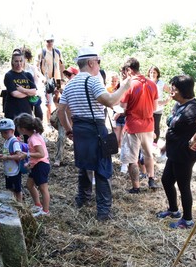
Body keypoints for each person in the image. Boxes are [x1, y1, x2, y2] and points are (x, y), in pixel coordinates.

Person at [57, 47, 131, 221]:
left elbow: (61, 110)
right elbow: (110, 100)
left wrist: (69, 129)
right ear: (91, 63)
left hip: (79, 129)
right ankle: (103, 211)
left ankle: (82, 199)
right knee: (102, 168)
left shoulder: (71, 84)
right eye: (98, 62)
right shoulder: (93, 81)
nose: (98, 65)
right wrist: (125, 87)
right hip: (95, 128)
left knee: (84, 165)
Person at [156, 75, 196, 229]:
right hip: (174, 152)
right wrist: (166, 145)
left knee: (183, 185)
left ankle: (187, 220)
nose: (171, 92)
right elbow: (175, 128)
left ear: (182, 91)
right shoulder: (179, 105)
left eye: (173, 89)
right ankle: (173, 210)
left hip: (184, 155)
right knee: (166, 180)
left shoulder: (191, 108)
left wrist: (193, 140)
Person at [120, 57, 159, 193]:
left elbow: (123, 107)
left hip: (133, 125)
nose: (125, 73)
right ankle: (151, 179)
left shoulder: (128, 84)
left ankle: (136, 187)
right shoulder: (152, 84)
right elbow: (155, 107)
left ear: (129, 70)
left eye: (125, 70)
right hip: (148, 124)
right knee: (148, 154)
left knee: (132, 158)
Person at [14, 113, 51, 217]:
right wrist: (30, 163)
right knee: (29, 185)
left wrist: (27, 154)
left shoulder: (34, 138)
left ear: (23, 129)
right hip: (36, 165)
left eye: (18, 127)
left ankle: (45, 211)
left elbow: (41, 154)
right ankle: (38, 205)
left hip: (41, 165)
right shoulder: (32, 137)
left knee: (43, 188)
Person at [37, 34, 65, 127]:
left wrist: (62, 78)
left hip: (57, 80)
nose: (50, 43)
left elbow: (61, 65)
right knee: (47, 102)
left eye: (51, 41)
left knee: (59, 100)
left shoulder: (57, 51)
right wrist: (42, 77)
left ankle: (59, 120)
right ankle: (48, 123)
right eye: (48, 41)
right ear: (45, 41)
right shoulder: (41, 52)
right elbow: (36, 67)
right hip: (47, 81)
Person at [3, 50, 37, 124]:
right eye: (16, 61)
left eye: (21, 61)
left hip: (26, 111)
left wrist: (22, 89)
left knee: (28, 134)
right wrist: (28, 92)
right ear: (12, 62)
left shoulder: (28, 75)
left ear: (24, 61)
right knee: (14, 135)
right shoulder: (9, 75)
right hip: (12, 111)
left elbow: (34, 91)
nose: (19, 63)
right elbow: (15, 94)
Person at [54, 66, 79, 167]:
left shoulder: (79, 87)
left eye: (70, 74)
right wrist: (56, 95)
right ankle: (58, 159)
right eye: (67, 75)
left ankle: (79, 159)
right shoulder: (64, 87)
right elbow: (57, 104)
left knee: (78, 139)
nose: (68, 77)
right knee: (61, 137)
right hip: (63, 116)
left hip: (75, 118)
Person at [0, 118, 24, 202]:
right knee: (10, 188)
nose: (3, 134)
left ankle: (20, 204)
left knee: (17, 190)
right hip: (8, 170)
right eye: (1, 132)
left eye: (5, 132)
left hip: (14, 171)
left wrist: (7, 157)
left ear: (13, 130)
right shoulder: (6, 141)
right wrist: (3, 156)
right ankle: (13, 202)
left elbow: (19, 156)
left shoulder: (14, 142)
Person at [147, 65, 171, 147]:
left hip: (158, 108)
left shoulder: (161, 83)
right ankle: (147, 142)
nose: (152, 74)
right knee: (147, 125)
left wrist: (166, 101)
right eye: (151, 72)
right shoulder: (146, 82)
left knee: (156, 125)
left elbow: (171, 92)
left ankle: (154, 143)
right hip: (147, 108)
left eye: (154, 72)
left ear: (157, 74)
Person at [21, 47, 44, 120]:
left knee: (39, 113)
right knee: (27, 114)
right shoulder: (18, 68)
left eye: (24, 57)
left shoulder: (31, 68)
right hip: (23, 93)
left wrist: (37, 91)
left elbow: (36, 80)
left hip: (33, 92)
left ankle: (38, 128)